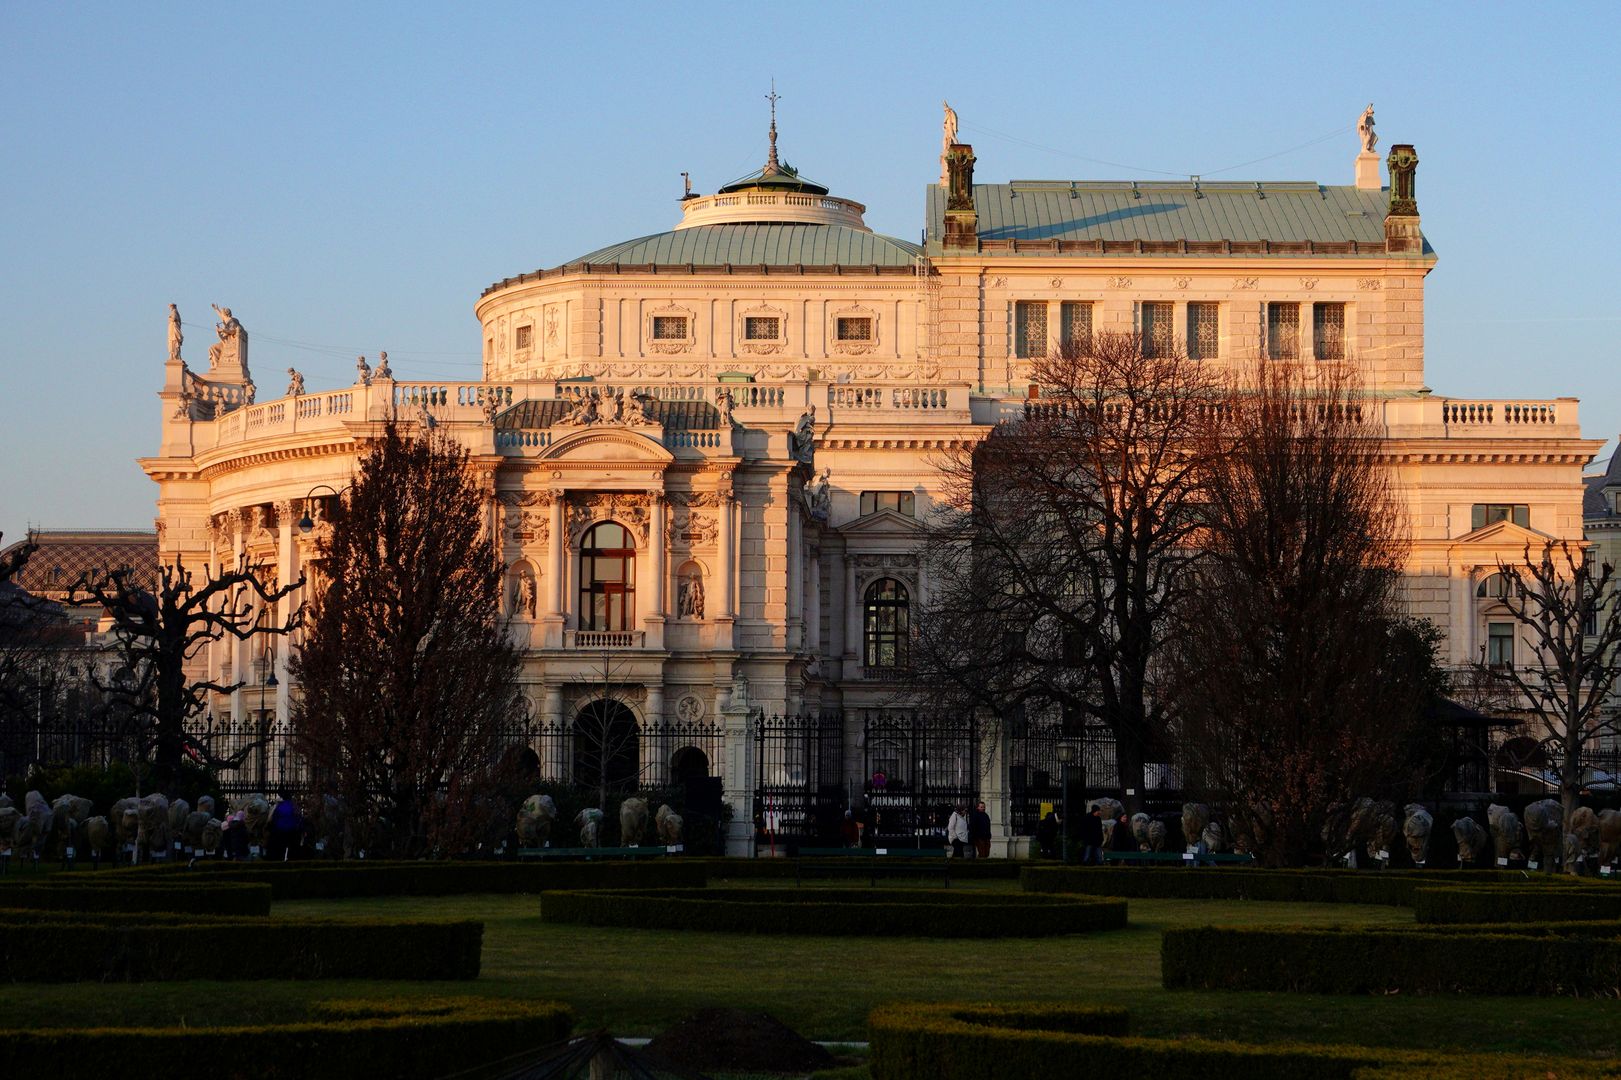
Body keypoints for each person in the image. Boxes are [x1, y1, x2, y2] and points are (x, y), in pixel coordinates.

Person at [267, 792, 303, 861]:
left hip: (280, 830)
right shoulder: (294, 806)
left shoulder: (279, 806)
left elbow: (274, 818)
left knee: (281, 848)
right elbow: (299, 817)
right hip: (292, 830)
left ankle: (281, 860)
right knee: (292, 849)